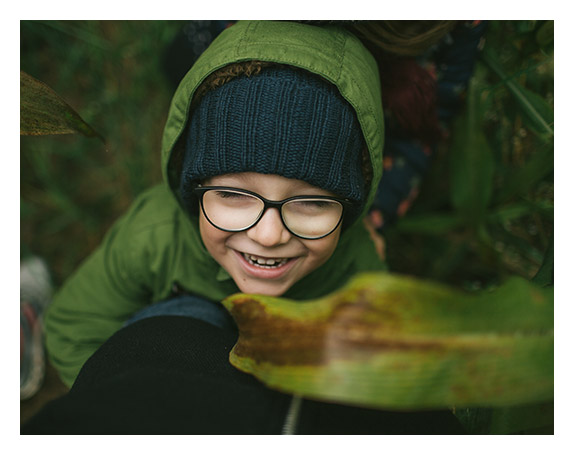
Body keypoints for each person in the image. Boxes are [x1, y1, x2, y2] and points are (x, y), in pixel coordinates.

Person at [28, 20, 471, 434]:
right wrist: (117, 390)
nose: (268, 234)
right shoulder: (151, 236)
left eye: (312, 201)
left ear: (353, 206)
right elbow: (72, 324)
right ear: (192, 185)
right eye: (235, 196)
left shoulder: (357, 270)